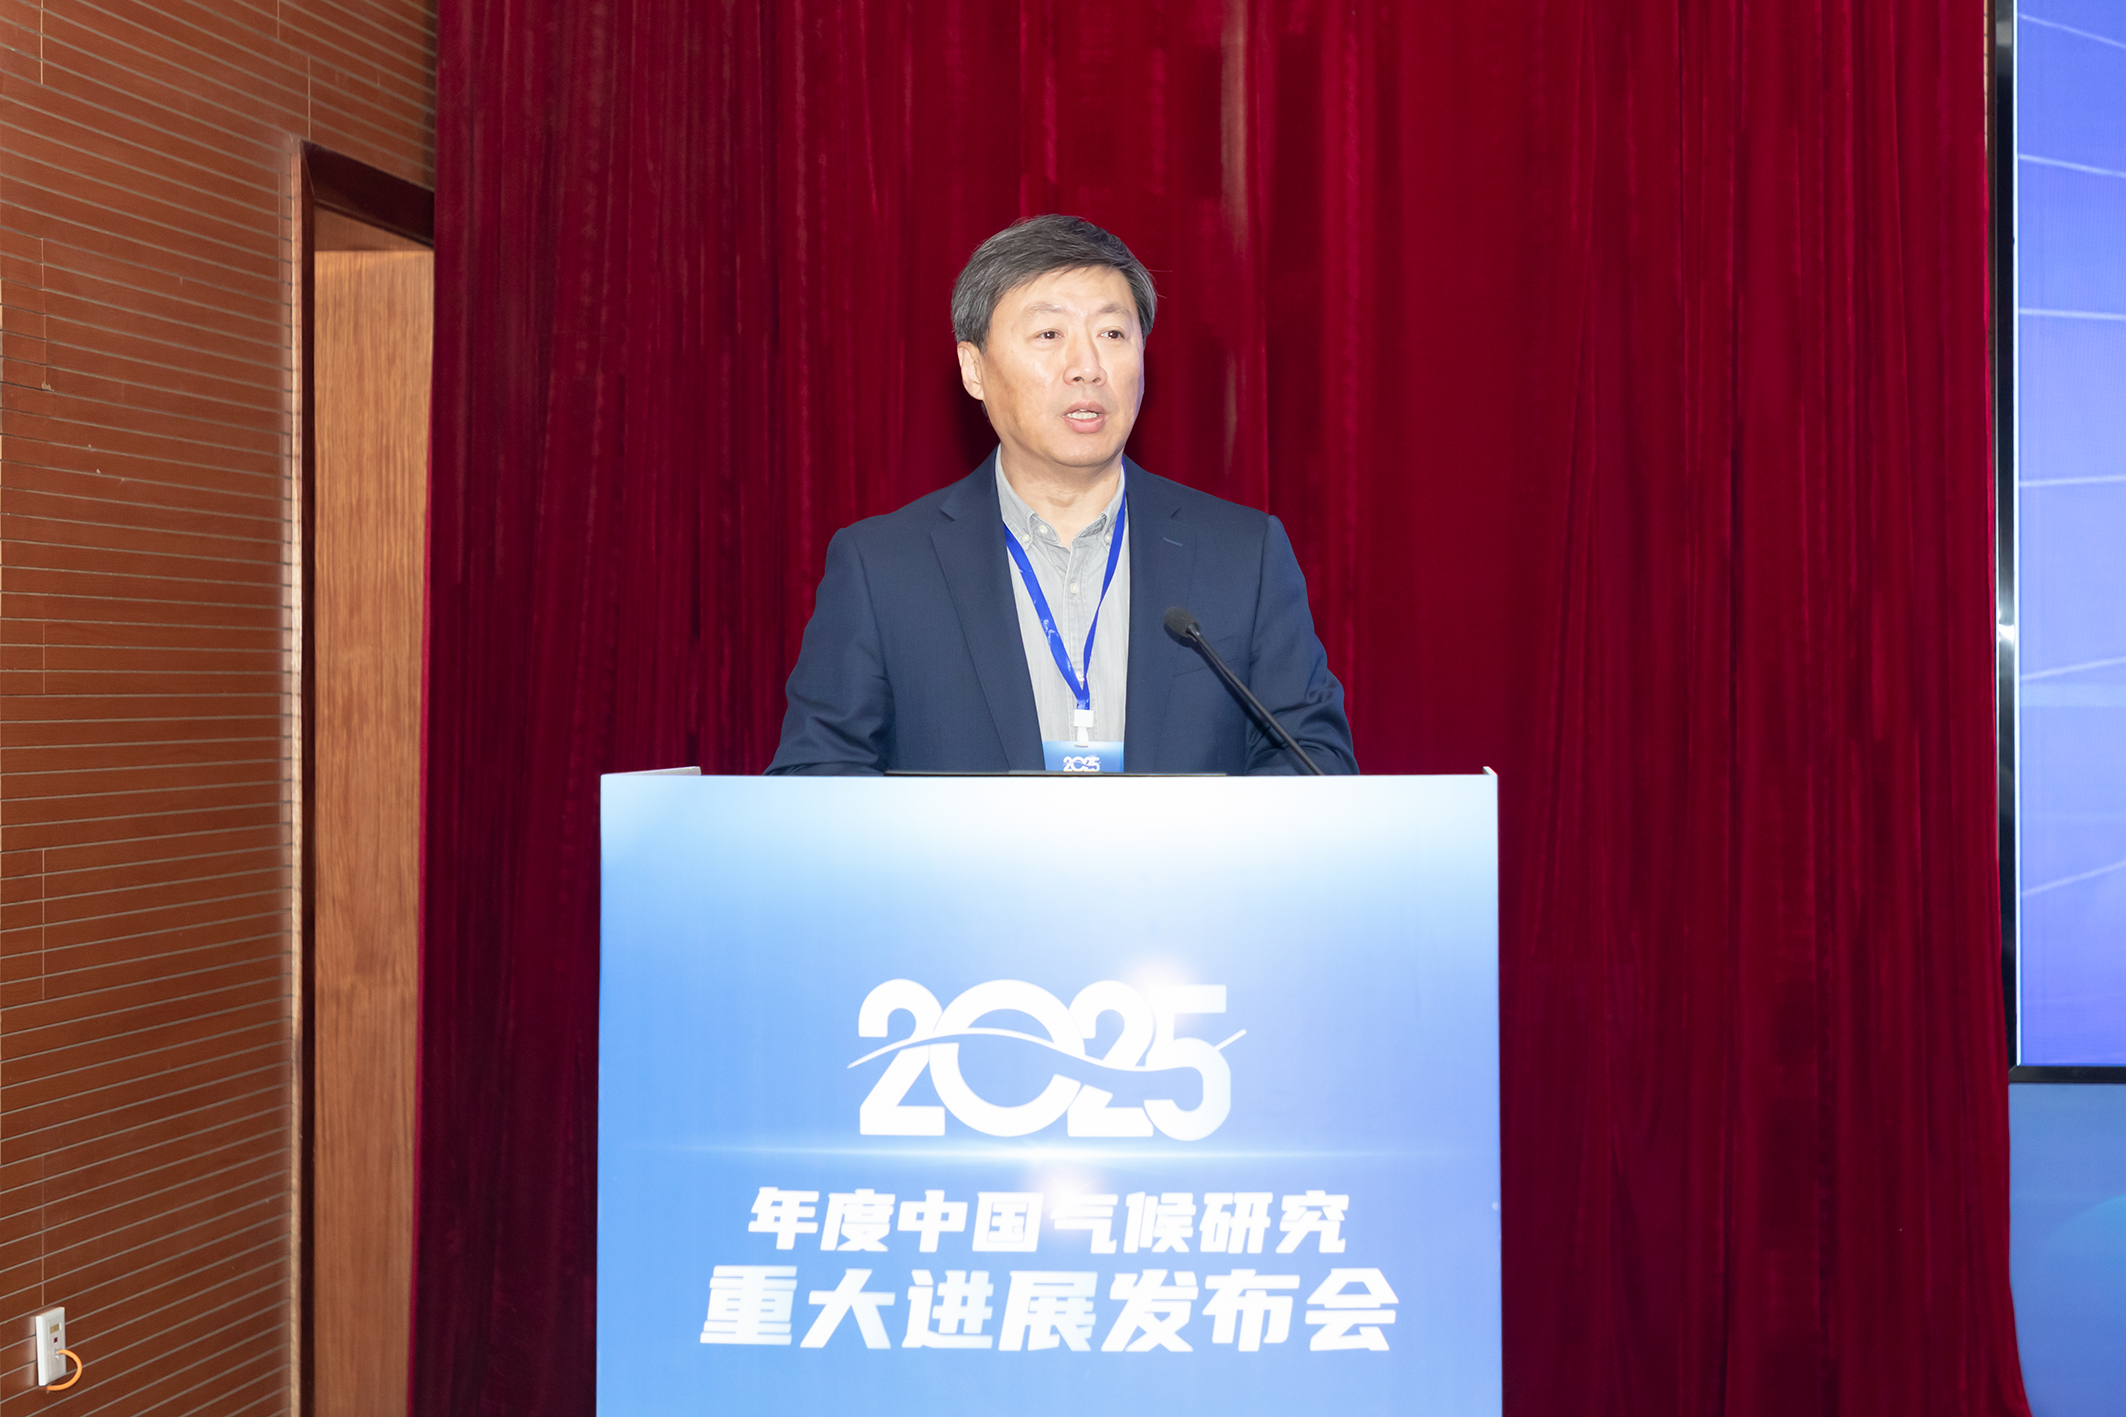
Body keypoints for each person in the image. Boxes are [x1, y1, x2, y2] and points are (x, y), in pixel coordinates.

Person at [767, 214, 1357, 776]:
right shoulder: (882, 567)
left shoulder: (1245, 555)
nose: (1087, 366)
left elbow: (1315, 761)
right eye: (1049, 334)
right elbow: (818, 776)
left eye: (1112, 333)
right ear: (974, 369)